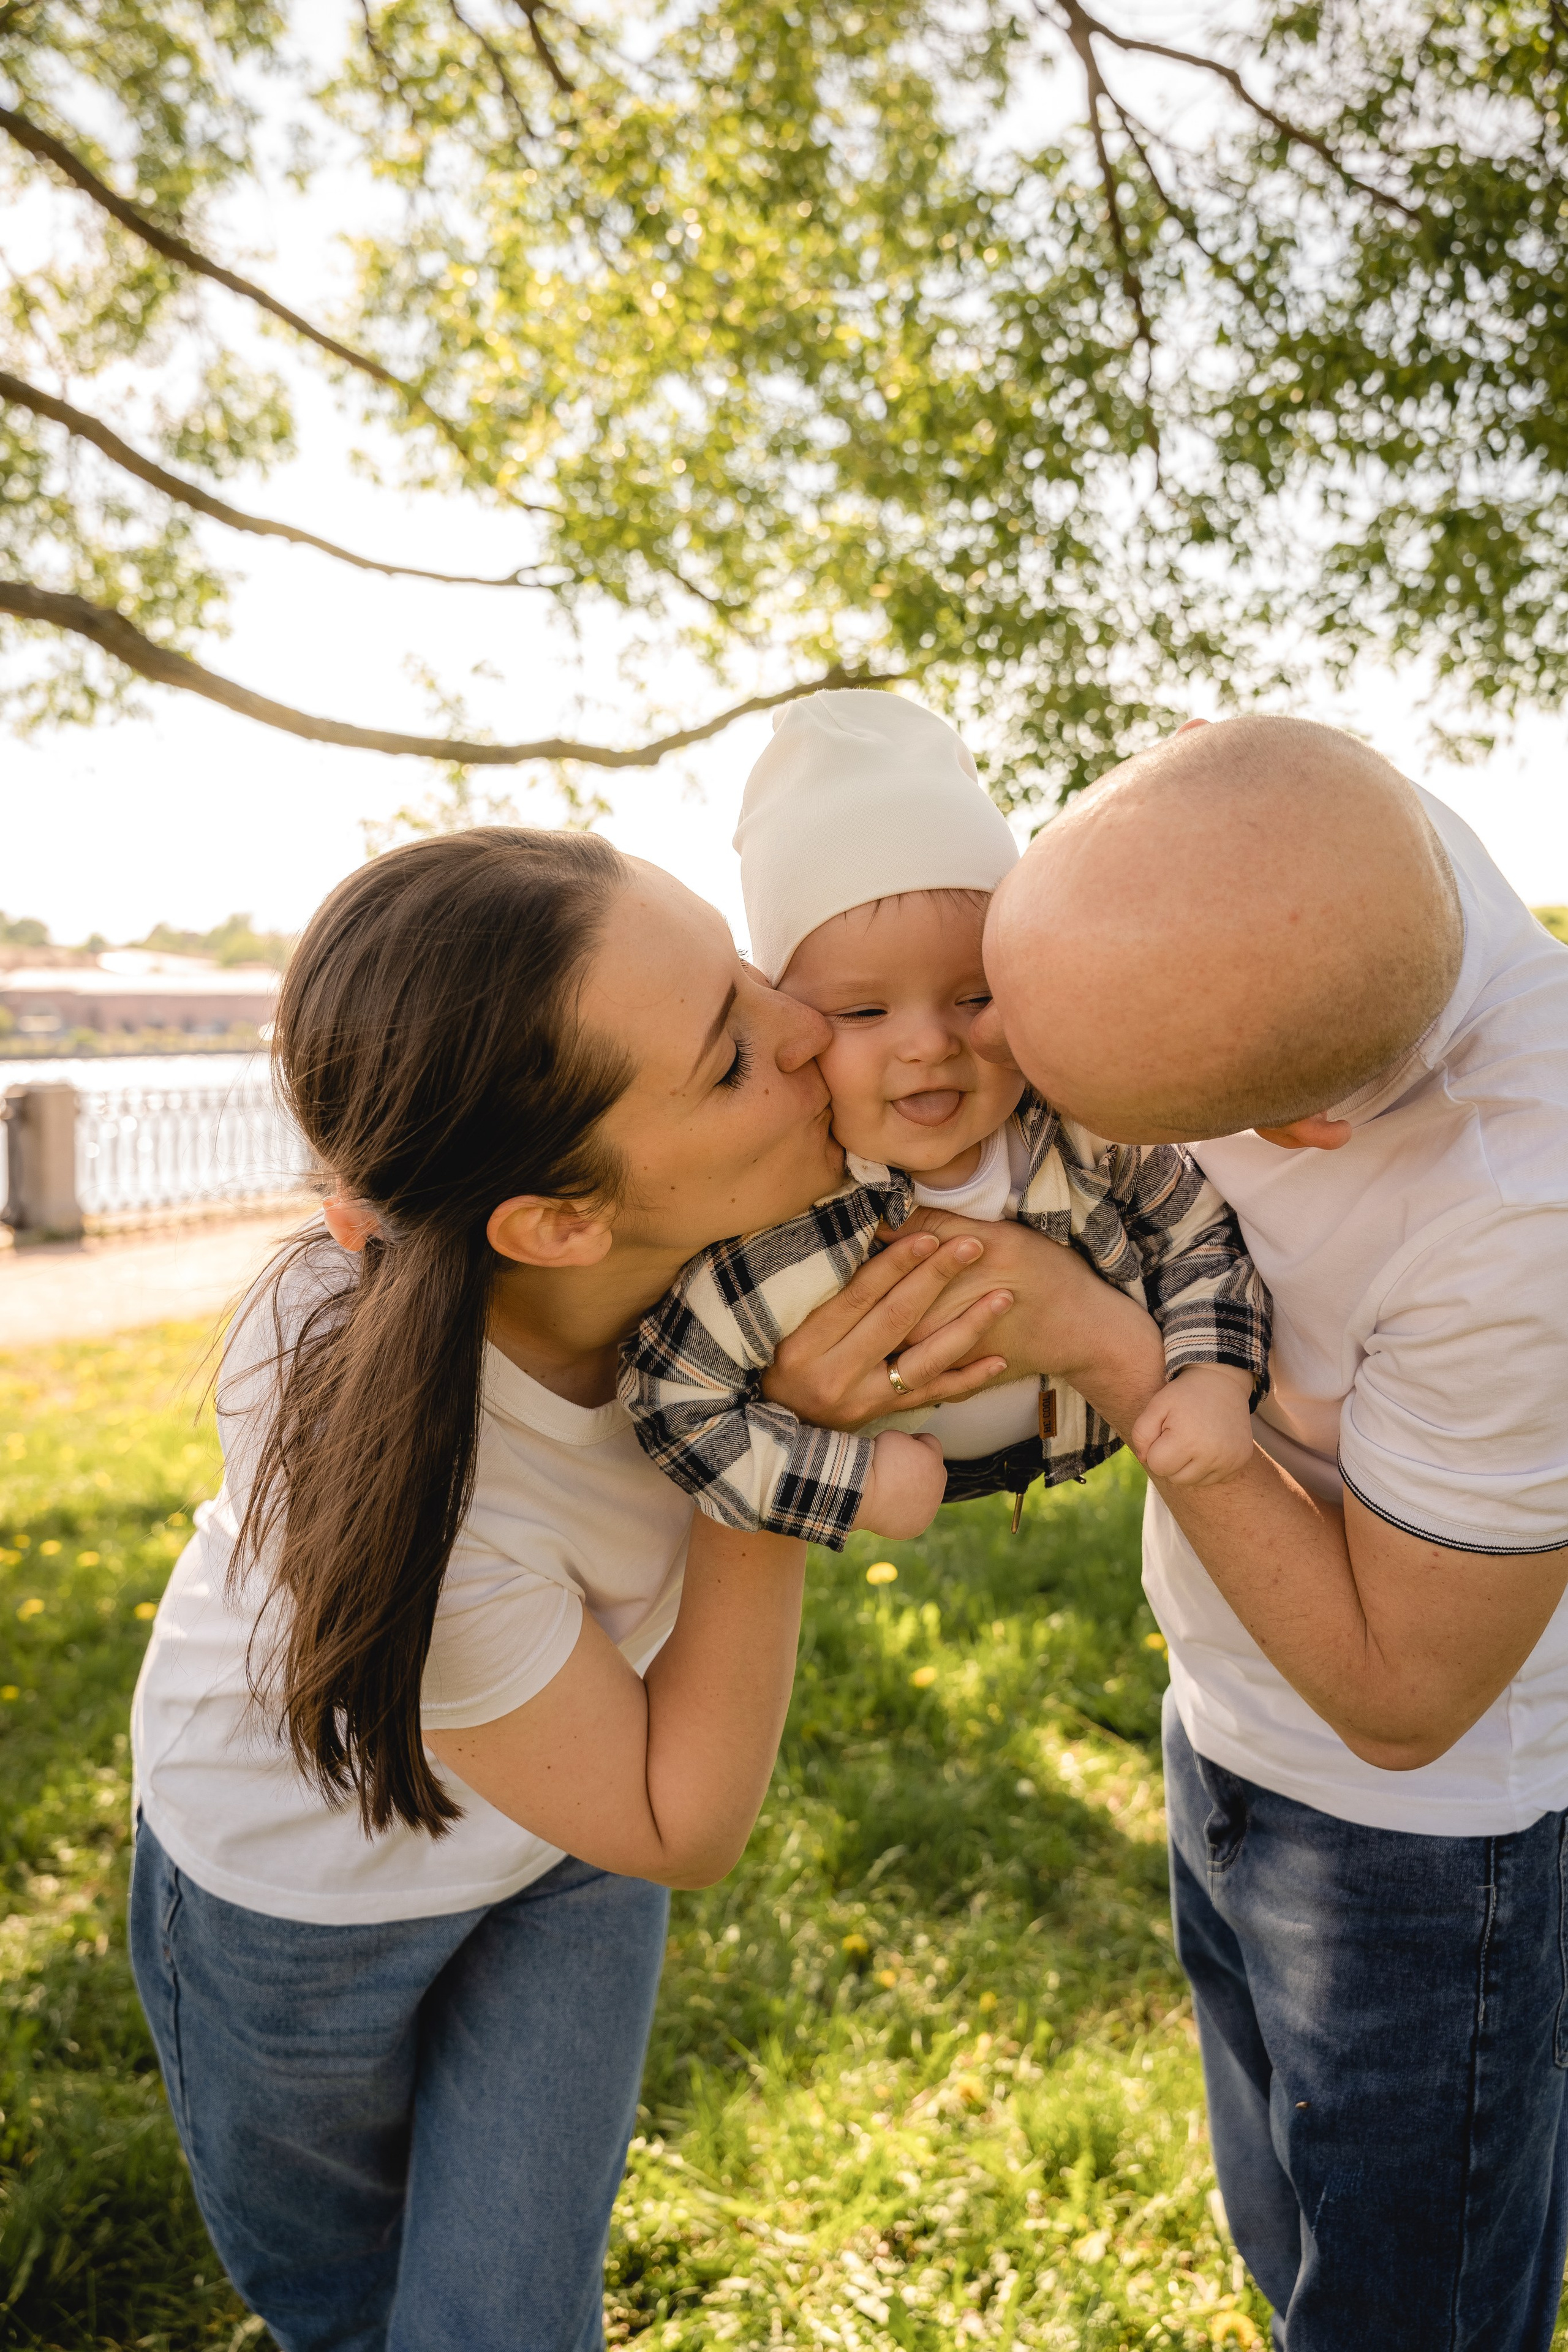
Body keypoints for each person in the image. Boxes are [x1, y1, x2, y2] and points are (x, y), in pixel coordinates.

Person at [129, 824, 1162, 2352]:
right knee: (350, 2305)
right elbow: (686, 1822)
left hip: (570, 1851)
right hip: (306, 1895)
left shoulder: (728, 1246)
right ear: (556, 1223)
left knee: (510, 2314)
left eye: (743, 970)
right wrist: (784, 1457)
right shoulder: (419, 1487)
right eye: (735, 1055)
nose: (810, 1028)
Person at [975, 714, 1568, 2351]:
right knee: (1281, 2228)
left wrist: (1109, 1348)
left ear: (1302, 1127)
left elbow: (1404, 1699)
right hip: (1223, 1719)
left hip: (1422, 1861)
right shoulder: (1301, 836)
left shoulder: (1523, 1217)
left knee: (1404, 2316)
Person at [620, 690, 1270, 1547]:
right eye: (863, 1013)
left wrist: (1214, 1377)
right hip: (915, 1469)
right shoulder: (780, 1210)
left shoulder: (1079, 1130)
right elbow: (674, 1404)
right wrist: (847, 1487)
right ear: (792, 1020)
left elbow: (1201, 1239)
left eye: (974, 995)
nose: (928, 1043)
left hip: (1095, 1429)